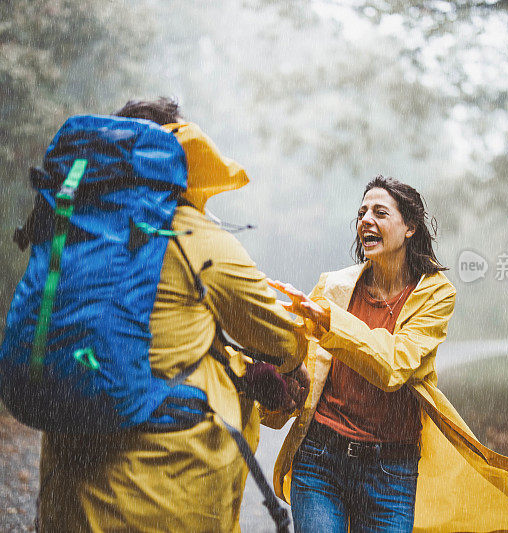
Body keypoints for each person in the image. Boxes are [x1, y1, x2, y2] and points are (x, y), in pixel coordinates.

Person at [37, 98, 309, 532]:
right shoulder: (188, 233)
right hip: (160, 492)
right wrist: (291, 365)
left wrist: (238, 369)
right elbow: (277, 332)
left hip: (70, 489)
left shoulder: (76, 228)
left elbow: (159, 337)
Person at [266, 175, 508, 532]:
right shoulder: (334, 286)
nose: (366, 220)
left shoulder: (437, 296)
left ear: (410, 227)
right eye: (361, 213)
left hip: (390, 471)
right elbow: (298, 355)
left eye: (380, 212)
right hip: (320, 459)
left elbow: (394, 366)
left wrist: (332, 323)